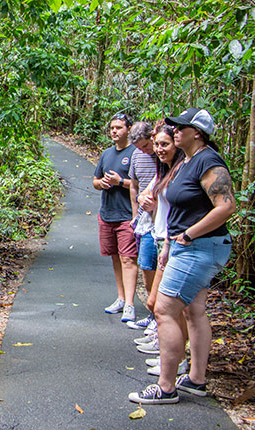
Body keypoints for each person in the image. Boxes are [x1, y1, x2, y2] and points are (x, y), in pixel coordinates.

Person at [129, 108, 235, 404]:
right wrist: (168, 245)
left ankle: (165, 387)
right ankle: (196, 379)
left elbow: (226, 206)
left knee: (164, 310)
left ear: (197, 132)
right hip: (183, 246)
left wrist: (189, 235)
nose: (174, 131)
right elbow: (178, 207)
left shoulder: (208, 161)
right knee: (194, 310)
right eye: (173, 126)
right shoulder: (187, 161)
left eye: (180, 127)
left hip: (199, 247)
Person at [133, 123, 188, 376]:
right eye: (156, 145)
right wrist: (144, 198)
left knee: (169, 306)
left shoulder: (183, 169)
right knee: (163, 305)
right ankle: (172, 356)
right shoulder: (164, 169)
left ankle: (177, 359)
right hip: (162, 238)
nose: (158, 149)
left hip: (177, 241)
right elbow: (148, 193)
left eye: (164, 144)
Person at [93, 113, 139, 323]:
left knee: (128, 258)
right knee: (115, 257)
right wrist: (101, 183)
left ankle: (130, 304)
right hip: (107, 213)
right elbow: (95, 180)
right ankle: (120, 298)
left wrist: (121, 182)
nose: (114, 131)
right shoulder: (106, 154)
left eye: (119, 127)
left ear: (128, 129)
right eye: (112, 127)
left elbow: (144, 183)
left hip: (127, 215)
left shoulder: (137, 153)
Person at [127, 121, 158, 329]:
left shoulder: (164, 154)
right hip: (144, 220)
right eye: (139, 148)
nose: (144, 151)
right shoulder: (138, 155)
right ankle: (154, 316)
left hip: (162, 220)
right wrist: (134, 214)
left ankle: (160, 318)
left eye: (146, 146)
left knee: (159, 270)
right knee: (146, 268)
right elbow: (134, 185)